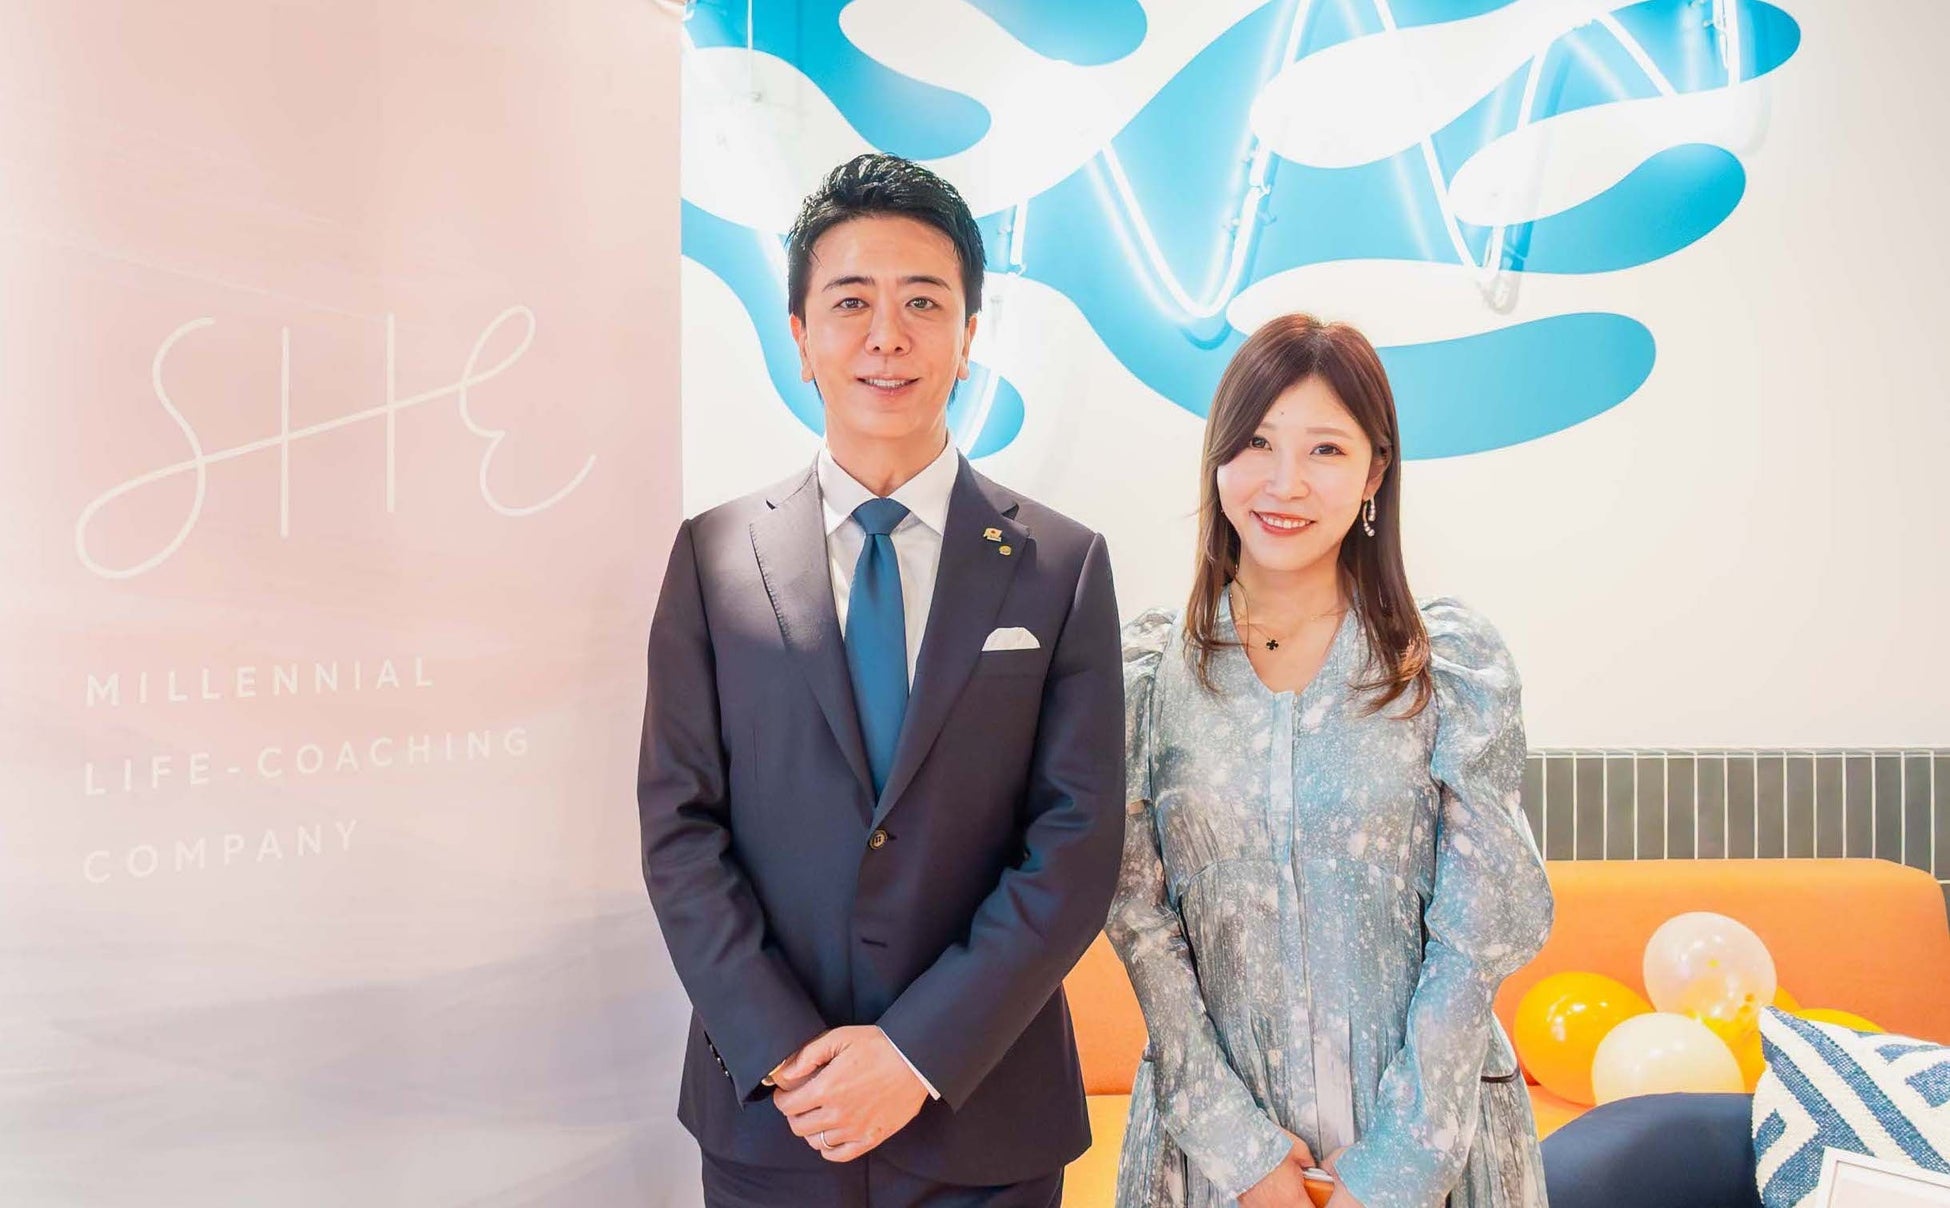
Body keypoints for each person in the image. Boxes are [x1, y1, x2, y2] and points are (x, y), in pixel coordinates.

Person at [637, 153, 1124, 1207]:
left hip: (984, 1114)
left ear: (969, 335)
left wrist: (914, 1053)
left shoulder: (1061, 565)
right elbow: (680, 828)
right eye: (851, 301)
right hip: (776, 1116)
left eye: (923, 302)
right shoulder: (713, 557)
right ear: (801, 336)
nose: (887, 336)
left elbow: (1075, 844)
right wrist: (785, 1051)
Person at [1109, 315, 1554, 1208]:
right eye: (1257, 443)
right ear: (1218, 457)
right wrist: (1240, 1152)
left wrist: (1398, 1168)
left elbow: (1476, 935)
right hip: (1214, 1154)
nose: (1285, 483)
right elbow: (1139, 923)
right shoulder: (1150, 678)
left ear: (1375, 473)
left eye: (1325, 449)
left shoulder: (1445, 667)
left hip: (1431, 1146)